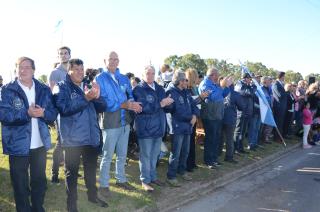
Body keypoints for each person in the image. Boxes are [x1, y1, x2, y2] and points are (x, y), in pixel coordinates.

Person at [0, 57, 58, 212]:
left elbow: (53, 113)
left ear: (33, 70)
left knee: (39, 181)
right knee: (20, 184)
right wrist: (27, 113)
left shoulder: (43, 89)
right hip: (17, 145)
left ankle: (38, 208)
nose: (22, 70)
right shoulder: (7, 90)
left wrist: (43, 113)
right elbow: (4, 115)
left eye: (26, 67)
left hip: (39, 145)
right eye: (19, 67)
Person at [53, 59, 107, 211]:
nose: (80, 72)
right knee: (71, 174)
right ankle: (72, 205)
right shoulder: (61, 87)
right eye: (76, 69)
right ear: (68, 71)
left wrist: (97, 96)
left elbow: (103, 106)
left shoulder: (88, 85)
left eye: (81, 69)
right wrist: (86, 98)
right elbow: (64, 108)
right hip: (72, 140)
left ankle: (92, 196)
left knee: (90, 169)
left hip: (91, 137)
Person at [96, 51, 142, 198]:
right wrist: (124, 104)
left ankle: (121, 179)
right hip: (110, 121)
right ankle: (104, 185)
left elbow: (130, 94)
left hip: (125, 121)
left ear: (119, 61)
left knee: (122, 154)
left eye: (116, 59)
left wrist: (132, 103)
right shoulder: (100, 78)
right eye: (111, 59)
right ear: (105, 61)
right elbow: (103, 102)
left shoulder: (123, 78)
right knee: (107, 155)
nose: (114, 61)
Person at [133, 65, 173, 191]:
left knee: (155, 154)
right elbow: (143, 108)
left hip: (159, 127)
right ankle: (145, 180)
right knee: (145, 156)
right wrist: (161, 103)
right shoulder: (138, 90)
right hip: (145, 128)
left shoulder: (160, 88)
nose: (150, 75)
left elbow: (165, 108)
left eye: (152, 73)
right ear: (143, 75)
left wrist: (169, 103)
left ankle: (153, 177)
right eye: (148, 73)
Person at [166, 71, 200, 186]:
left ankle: (182, 170)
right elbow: (177, 111)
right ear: (180, 81)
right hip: (177, 127)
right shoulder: (171, 93)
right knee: (176, 153)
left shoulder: (186, 92)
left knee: (185, 151)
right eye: (185, 80)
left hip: (187, 127)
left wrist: (195, 115)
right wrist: (190, 117)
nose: (187, 81)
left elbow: (194, 105)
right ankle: (171, 176)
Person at [198, 68, 232, 169]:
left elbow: (223, 94)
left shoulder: (214, 83)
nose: (218, 77)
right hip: (210, 116)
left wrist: (227, 86)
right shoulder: (205, 84)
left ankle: (214, 159)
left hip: (217, 115)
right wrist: (221, 86)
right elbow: (213, 96)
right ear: (213, 75)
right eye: (217, 75)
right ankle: (208, 161)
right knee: (210, 139)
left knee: (216, 138)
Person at [49, 46, 72, 183]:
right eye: (60, 54)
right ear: (58, 56)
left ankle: (70, 169)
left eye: (65, 53)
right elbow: (53, 94)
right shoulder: (54, 73)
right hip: (61, 113)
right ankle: (54, 174)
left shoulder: (72, 71)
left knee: (72, 143)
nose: (63, 55)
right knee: (60, 144)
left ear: (70, 55)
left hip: (73, 112)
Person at [185, 68, 209, 172]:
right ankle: (188, 164)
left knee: (192, 140)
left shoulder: (194, 88)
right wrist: (201, 97)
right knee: (188, 142)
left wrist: (201, 97)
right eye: (195, 76)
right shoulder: (186, 89)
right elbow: (190, 103)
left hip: (194, 116)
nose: (197, 78)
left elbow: (195, 102)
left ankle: (192, 163)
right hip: (188, 118)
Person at [234, 73, 255, 154]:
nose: (251, 80)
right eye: (250, 78)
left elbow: (250, 94)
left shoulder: (247, 85)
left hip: (247, 111)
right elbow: (248, 93)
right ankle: (236, 148)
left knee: (243, 131)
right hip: (240, 111)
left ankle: (240, 148)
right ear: (245, 78)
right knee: (238, 131)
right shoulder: (239, 84)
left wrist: (250, 86)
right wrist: (253, 86)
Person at [222, 82, 243, 163]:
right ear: (233, 86)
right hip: (230, 118)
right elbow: (241, 107)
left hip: (220, 117)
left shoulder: (221, 92)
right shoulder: (235, 94)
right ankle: (229, 157)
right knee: (229, 139)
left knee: (220, 137)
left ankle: (218, 153)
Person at [272, 72, 287, 142]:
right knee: (278, 122)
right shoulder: (275, 84)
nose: (284, 77)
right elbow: (280, 95)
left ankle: (279, 137)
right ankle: (276, 137)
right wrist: (287, 92)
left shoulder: (281, 84)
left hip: (282, 106)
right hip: (278, 106)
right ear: (281, 76)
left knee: (281, 122)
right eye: (284, 76)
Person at [260, 76, 273, 143]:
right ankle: (262, 138)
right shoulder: (261, 88)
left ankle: (265, 138)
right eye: (268, 81)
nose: (270, 82)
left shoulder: (268, 88)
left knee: (268, 124)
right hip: (263, 109)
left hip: (269, 107)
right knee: (262, 125)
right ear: (265, 81)